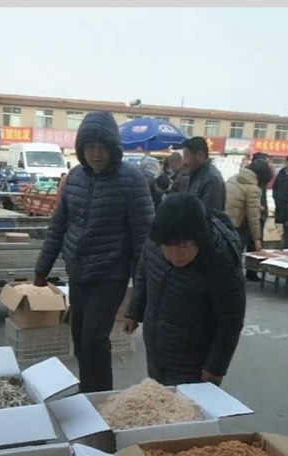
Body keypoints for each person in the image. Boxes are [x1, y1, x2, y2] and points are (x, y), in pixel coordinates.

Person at [33, 111, 154, 393]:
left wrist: (138, 302)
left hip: (110, 275)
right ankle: (89, 390)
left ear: (113, 148)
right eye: (89, 147)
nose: (96, 154)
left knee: (94, 339)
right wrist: (42, 268)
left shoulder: (132, 181)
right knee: (79, 337)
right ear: (81, 149)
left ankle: (99, 398)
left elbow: (143, 243)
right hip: (78, 273)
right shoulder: (75, 177)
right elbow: (59, 224)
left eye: (101, 147)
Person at [124, 193, 246, 387]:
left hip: (194, 354)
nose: (175, 255)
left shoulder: (221, 261)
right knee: (160, 396)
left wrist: (215, 368)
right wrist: (134, 311)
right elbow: (144, 272)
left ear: (199, 238)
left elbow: (231, 320)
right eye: (168, 247)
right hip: (157, 340)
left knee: (188, 409)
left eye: (184, 246)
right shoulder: (158, 236)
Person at [225, 158, 273, 281]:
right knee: (236, 252)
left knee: (227, 253)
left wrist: (257, 206)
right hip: (236, 223)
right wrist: (257, 238)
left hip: (224, 220)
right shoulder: (252, 187)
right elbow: (253, 217)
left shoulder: (235, 178)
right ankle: (232, 280)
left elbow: (239, 198)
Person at [183, 137, 226, 211]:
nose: (184, 162)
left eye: (187, 156)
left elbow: (210, 216)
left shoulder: (212, 179)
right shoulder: (195, 174)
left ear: (200, 155)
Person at [273, 155, 288, 222]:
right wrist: (276, 197)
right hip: (280, 204)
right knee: (279, 227)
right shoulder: (281, 173)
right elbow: (275, 186)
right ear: (286, 162)